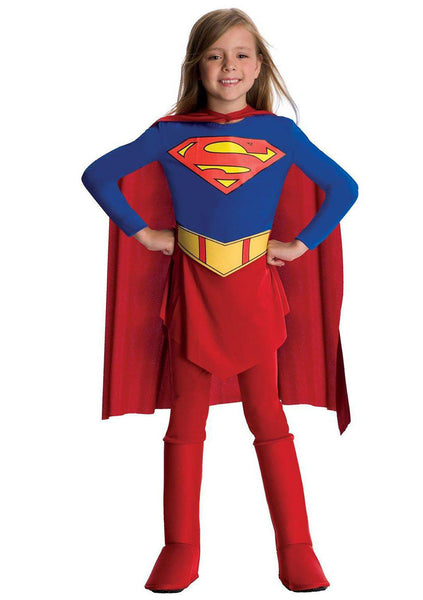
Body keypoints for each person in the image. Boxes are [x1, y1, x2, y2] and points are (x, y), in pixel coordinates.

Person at [81, 8, 358, 594]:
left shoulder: (278, 133)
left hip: (254, 294)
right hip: (194, 292)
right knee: (187, 422)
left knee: (268, 419)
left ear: (258, 67)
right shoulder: (170, 134)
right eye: (214, 55)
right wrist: (142, 233)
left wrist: (301, 244)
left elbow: (343, 187)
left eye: (240, 55)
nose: (228, 67)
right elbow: (99, 175)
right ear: (197, 66)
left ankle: (297, 547)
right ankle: (180, 547)